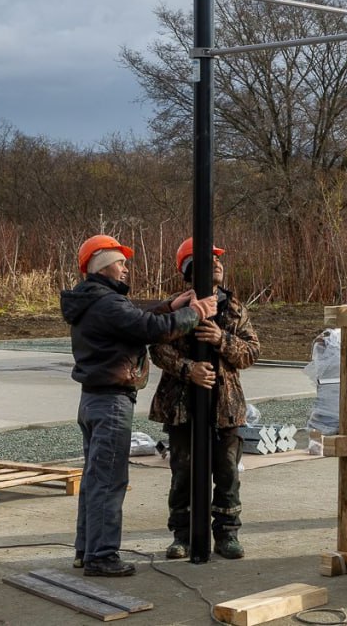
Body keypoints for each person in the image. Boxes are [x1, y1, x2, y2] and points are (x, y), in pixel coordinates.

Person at [61, 234, 217, 578]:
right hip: (111, 403)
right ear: (103, 265)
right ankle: (102, 556)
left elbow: (136, 317)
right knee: (109, 481)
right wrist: (196, 312)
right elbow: (149, 328)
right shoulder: (107, 303)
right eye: (120, 261)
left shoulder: (93, 300)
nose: (125, 267)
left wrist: (172, 305)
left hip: (92, 400)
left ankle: (86, 550)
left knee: (94, 480)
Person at [149, 238, 260, 560]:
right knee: (182, 472)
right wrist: (188, 369)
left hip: (225, 403)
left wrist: (222, 340)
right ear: (190, 268)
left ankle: (227, 534)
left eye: (219, 260)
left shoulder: (235, 307)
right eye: (210, 260)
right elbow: (157, 348)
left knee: (227, 473)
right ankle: (181, 535)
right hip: (181, 404)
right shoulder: (175, 307)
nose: (219, 264)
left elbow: (252, 351)